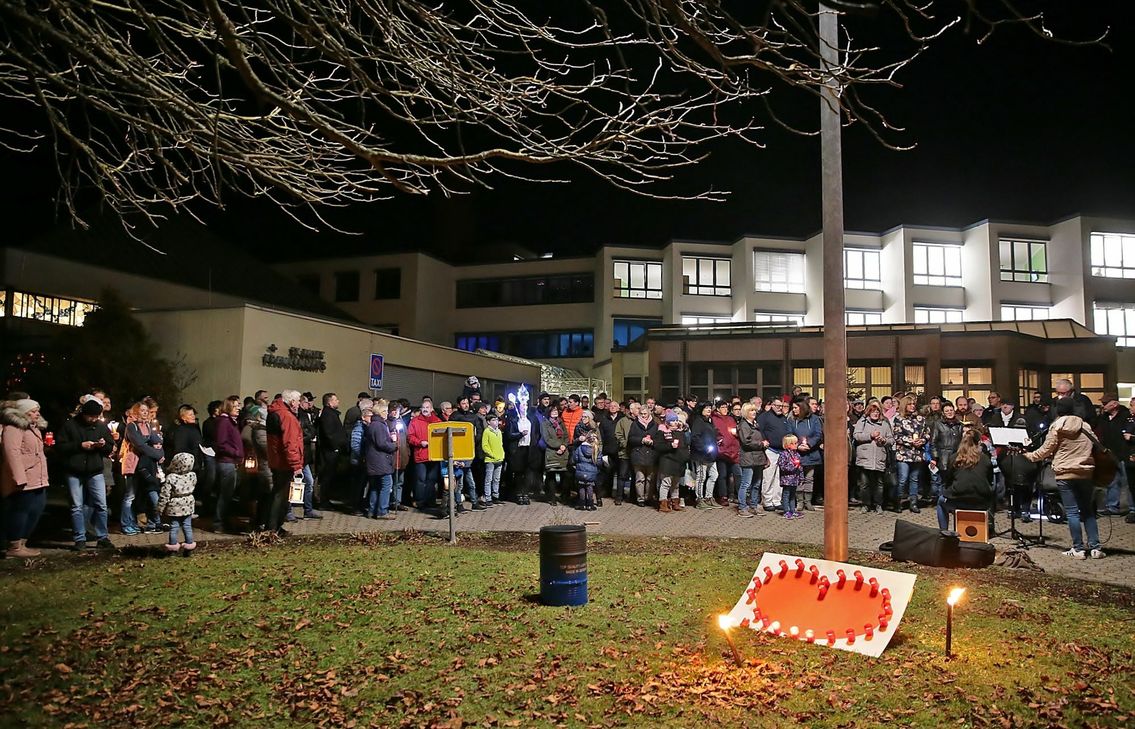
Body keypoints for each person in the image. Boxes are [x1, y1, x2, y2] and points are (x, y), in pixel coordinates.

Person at [1023, 397, 1103, 559]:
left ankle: (1078, 549)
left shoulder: (1057, 426)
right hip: (1085, 472)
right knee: (1087, 512)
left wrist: (1029, 455)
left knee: (1072, 512)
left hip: (1065, 473)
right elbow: (1095, 444)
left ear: (1058, 410)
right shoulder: (1085, 425)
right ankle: (1095, 548)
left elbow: (1045, 450)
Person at [56, 398, 116, 551]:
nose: (93, 419)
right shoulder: (70, 425)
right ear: (84, 414)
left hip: (95, 470)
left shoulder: (101, 427)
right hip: (74, 470)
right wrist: (79, 446)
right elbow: (60, 447)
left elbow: (110, 448)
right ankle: (80, 538)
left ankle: (103, 537)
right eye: (91, 416)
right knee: (76, 506)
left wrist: (103, 446)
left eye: (96, 417)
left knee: (101, 505)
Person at [2, 398, 50, 557]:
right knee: (21, 510)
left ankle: (22, 542)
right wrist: (19, 477)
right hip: (25, 477)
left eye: (38, 411)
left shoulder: (33, 428)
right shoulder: (14, 428)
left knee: (36, 508)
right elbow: (12, 453)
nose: (37, 414)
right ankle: (14, 546)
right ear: (23, 412)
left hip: (38, 477)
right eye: (33, 411)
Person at [935, 429, 995, 529]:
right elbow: (989, 479)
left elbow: (948, 478)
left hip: (958, 499)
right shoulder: (985, 458)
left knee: (940, 502)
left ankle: (943, 531)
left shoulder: (954, 457)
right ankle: (989, 526)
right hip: (981, 501)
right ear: (979, 443)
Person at [265, 390, 305, 537]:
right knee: (280, 495)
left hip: (277, 460)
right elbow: (291, 443)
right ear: (292, 401)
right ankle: (273, 528)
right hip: (284, 462)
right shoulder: (287, 417)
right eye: (298, 400)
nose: (299, 404)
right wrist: (296, 465)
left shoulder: (276, 412)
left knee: (278, 493)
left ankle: (273, 526)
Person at [1093, 394, 1131, 516]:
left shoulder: (1126, 416)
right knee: (1112, 481)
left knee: (1128, 482)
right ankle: (1112, 507)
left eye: (1105, 403)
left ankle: (1132, 508)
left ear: (1114, 404)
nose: (1103, 406)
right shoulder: (1103, 418)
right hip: (1108, 455)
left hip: (1124, 454)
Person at [854, 402, 893, 513]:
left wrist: (884, 441)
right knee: (864, 483)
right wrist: (870, 436)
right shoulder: (862, 422)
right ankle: (865, 504)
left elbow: (891, 440)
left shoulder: (884, 424)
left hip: (879, 457)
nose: (875, 413)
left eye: (877, 411)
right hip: (865, 457)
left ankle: (878, 504)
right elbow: (856, 436)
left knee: (879, 484)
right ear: (868, 412)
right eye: (873, 411)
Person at [212, 396, 244, 533]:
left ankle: (224, 521)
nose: (239, 408)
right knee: (225, 494)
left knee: (228, 494)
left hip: (231, 462)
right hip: (226, 462)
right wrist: (236, 452)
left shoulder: (231, 422)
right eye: (236, 406)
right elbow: (221, 444)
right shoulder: (224, 422)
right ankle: (219, 523)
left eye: (239, 406)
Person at [893, 396, 929, 513]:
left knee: (914, 479)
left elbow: (927, 434)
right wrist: (910, 441)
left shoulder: (921, 419)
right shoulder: (899, 419)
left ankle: (913, 503)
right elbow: (896, 436)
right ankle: (898, 502)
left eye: (914, 404)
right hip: (903, 454)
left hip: (917, 454)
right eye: (910, 404)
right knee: (903, 478)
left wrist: (922, 441)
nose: (912, 406)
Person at [157, 452, 198, 556]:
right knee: (187, 526)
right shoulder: (192, 475)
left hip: (174, 505)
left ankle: (173, 549)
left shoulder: (171, 477)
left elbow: (165, 494)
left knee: (174, 527)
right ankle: (189, 548)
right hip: (188, 504)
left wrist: (160, 507)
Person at [363, 399, 398, 519]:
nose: (387, 413)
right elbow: (381, 443)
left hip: (373, 461)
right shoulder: (379, 425)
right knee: (386, 484)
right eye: (386, 411)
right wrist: (394, 445)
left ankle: (372, 510)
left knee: (374, 487)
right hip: (380, 461)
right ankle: (382, 511)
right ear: (382, 412)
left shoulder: (373, 424)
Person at [787, 397, 823, 511]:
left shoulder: (815, 419)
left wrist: (809, 445)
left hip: (811, 454)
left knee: (809, 478)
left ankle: (808, 501)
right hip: (798, 454)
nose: (793, 410)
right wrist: (797, 446)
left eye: (795, 408)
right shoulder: (792, 420)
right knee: (799, 478)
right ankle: (800, 502)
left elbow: (818, 434)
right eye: (792, 408)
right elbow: (789, 435)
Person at [407, 398, 441, 512]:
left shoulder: (437, 421)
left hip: (434, 455)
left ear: (431, 409)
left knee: (432, 480)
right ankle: (420, 502)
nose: (425, 409)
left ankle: (430, 502)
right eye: (423, 408)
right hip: (420, 455)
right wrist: (419, 442)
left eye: (427, 407)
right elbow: (410, 436)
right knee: (420, 480)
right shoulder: (415, 421)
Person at [736, 403, 767, 518]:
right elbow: (746, 442)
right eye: (751, 411)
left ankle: (753, 505)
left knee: (756, 484)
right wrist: (761, 444)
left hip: (758, 458)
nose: (754, 412)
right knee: (746, 484)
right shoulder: (744, 425)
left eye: (754, 410)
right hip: (748, 458)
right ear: (746, 413)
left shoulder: (755, 425)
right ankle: (742, 507)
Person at [757, 399, 789, 512]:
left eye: (782, 406)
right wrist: (764, 441)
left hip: (782, 451)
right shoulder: (764, 417)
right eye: (778, 405)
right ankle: (767, 501)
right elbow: (759, 430)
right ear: (772, 405)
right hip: (770, 450)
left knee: (779, 477)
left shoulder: (783, 418)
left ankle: (776, 500)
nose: (780, 408)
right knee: (768, 477)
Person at [316, 393, 345, 508]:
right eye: (335, 399)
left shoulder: (331, 414)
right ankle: (323, 501)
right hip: (330, 451)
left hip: (332, 450)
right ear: (329, 402)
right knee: (327, 476)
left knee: (330, 476)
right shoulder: (328, 415)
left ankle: (326, 499)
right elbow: (328, 433)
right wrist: (335, 447)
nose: (338, 401)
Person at [656, 410, 689, 512]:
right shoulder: (662, 433)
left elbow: (685, 446)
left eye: (676, 420)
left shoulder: (681, 433)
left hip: (679, 462)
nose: (675, 422)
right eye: (673, 420)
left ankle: (675, 502)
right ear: (667, 422)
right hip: (668, 461)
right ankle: (663, 503)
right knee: (666, 483)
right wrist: (670, 446)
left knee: (676, 484)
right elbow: (658, 446)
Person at [626, 403, 659, 507]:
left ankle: (648, 497)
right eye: (641, 414)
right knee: (640, 478)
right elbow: (630, 439)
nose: (643, 415)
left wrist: (652, 441)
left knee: (650, 479)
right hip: (638, 454)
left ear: (649, 413)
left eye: (645, 413)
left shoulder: (655, 425)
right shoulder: (635, 424)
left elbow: (658, 439)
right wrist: (641, 440)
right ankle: (640, 499)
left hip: (651, 455)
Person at [296, 393, 322, 519]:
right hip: (299, 454)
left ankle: (308, 509)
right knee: (295, 484)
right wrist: (309, 435)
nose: (309, 405)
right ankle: (289, 511)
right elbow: (305, 433)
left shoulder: (305, 415)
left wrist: (310, 433)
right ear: (301, 402)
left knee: (309, 481)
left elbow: (311, 429)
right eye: (306, 402)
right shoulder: (299, 415)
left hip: (305, 455)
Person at [690, 403, 719, 510]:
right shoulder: (698, 421)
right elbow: (695, 437)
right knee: (701, 477)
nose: (708, 410)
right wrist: (703, 448)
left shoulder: (709, 421)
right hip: (702, 455)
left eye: (710, 408)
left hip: (711, 454)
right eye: (706, 408)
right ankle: (699, 499)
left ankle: (709, 497)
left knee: (714, 475)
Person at [711, 400, 740, 507]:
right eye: (722, 407)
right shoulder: (714, 419)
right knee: (722, 475)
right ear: (718, 408)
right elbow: (714, 433)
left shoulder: (730, 419)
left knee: (735, 474)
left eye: (726, 407)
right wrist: (719, 441)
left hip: (733, 450)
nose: (725, 409)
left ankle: (737, 495)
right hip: (721, 451)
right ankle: (723, 496)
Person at [541, 404, 570, 504]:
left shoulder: (561, 422)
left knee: (565, 475)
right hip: (552, 452)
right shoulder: (545, 423)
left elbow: (566, 436)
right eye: (553, 411)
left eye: (556, 410)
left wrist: (564, 446)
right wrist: (558, 446)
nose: (555, 412)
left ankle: (564, 497)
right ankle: (552, 498)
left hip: (563, 452)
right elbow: (547, 438)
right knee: (551, 476)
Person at [571, 423, 602, 511]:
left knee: (581, 487)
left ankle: (582, 504)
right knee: (589, 487)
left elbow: (575, 458)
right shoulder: (596, 450)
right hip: (592, 472)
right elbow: (599, 462)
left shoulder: (580, 448)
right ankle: (590, 504)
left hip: (580, 471)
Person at [777, 434, 803, 519]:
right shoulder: (784, 454)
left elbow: (800, 466)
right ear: (788, 445)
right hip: (787, 479)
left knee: (793, 495)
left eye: (796, 443)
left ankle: (793, 510)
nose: (796, 445)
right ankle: (786, 511)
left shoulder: (797, 454)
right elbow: (782, 466)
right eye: (794, 443)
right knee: (786, 494)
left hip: (795, 478)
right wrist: (794, 466)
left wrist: (801, 475)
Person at [482, 412, 505, 506]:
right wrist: (491, 454)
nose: (496, 422)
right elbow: (484, 446)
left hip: (499, 458)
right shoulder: (487, 431)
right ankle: (488, 497)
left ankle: (496, 496)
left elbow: (501, 444)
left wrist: (502, 454)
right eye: (493, 420)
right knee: (489, 479)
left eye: (496, 420)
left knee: (497, 479)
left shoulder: (499, 431)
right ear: (488, 422)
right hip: (490, 459)